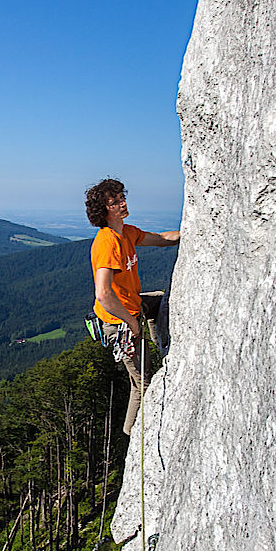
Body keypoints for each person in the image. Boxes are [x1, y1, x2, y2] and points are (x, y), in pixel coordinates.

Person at [86, 178, 180, 434]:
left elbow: (161, 239)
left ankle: (160, 343)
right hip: (118, 323)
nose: (122, 203)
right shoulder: (107, 243)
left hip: (133, 307)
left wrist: (193, 231)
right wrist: (130, 322)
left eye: (121, 198)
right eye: (115, 202)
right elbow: (103, 293)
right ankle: (132, 433)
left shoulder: (127, 232)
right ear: (103, 211)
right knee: (143, 382)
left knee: (160, 301)